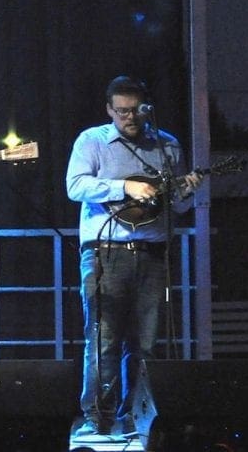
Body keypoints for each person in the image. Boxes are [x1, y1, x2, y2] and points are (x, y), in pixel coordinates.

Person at [66, 75, 201, 439]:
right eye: (122, 111)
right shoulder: (92, 141)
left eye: (136, 111)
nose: (130, 118)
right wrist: (124, 186)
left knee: (146, 343)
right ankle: (98, 418)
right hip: (106, 252)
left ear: (146, 109)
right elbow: (75, 186)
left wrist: (187, 191)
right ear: (109, 110)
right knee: (103, 340)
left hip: (153, 253)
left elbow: (178, 207)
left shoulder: (167, 145)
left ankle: (137, 418)